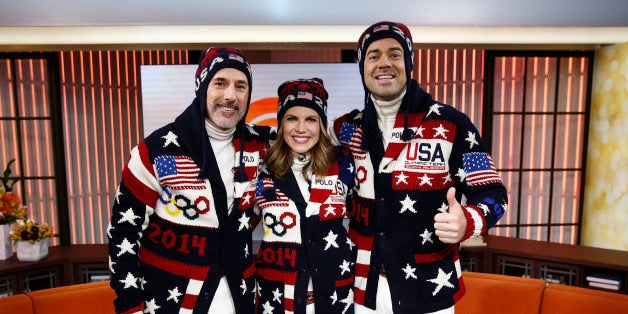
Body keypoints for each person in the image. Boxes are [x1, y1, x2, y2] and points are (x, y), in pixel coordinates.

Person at [328, 21, 508, 313]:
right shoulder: (348, 127)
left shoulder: (453, 124)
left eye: (394, 54)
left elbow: (494, 193)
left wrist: (468, 222)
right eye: (373, 56)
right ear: (362, 68)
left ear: (408, 63)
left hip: (428, 289)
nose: (384, 63)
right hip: (363, 287)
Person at [107, 47, 273, 314]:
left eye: (240, 86)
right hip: (170, 302)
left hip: (239, 298)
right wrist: (131, 307)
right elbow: (122, 235)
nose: (230, 95)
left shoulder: (261, 145)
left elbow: (307, 136)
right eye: (220, 83)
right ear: (202, 85)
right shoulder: (154, 151)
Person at [254, 78, 356, 314]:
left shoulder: (341, 164)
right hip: (279, 299)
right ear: (281, 123)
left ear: (321, 124)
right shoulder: (262, 169)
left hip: (335, 297)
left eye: (311, 119)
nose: (301, 128)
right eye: (292, 118)